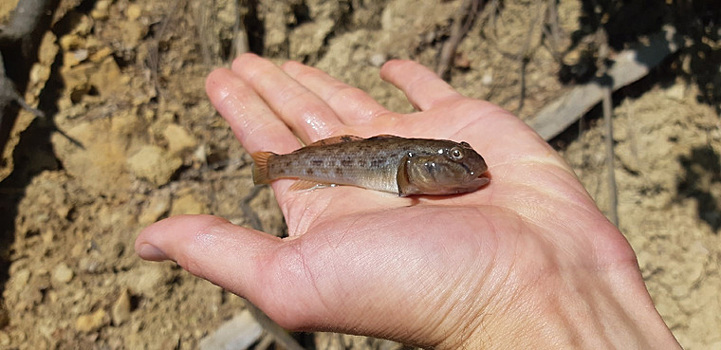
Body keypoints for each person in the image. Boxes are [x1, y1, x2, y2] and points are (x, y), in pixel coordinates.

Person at [135, 53, 681, 349]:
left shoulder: (437, 166)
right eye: (450, 164)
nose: (467, 172)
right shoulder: (405, 164)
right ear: (420, 170)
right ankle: (277, 166)